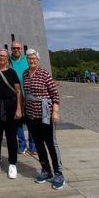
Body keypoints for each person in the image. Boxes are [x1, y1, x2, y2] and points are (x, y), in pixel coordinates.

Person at [22, 49, 64, 190]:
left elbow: (55, 94)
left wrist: (56, 112)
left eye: (34, 58)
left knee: (51, 143)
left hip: (46, 114)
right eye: (29, 58)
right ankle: (46, 170)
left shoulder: (44, 73)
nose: (31, 60)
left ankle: (58, 173)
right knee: (39, 144)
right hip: (32, 115)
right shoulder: (25, 74)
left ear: (38, 59)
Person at [0, 49, 23, 179]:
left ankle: (12, 163)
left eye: (4, 56)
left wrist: (19, 108)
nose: (2, 57)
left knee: (11, 136)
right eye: (0, 55)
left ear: (7, 58)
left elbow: (18, 91)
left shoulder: (12, 72)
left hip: (11, 107)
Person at [9, 41, 36, 154]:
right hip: (15, 96)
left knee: (31, 120)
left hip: (28, 95)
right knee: (18, 121)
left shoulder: (27, 59)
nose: (16, 50)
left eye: (18, 48)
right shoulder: (8, 60)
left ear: (21, 49)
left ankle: (33, 145)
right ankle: (22, 144)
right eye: (14, 48)